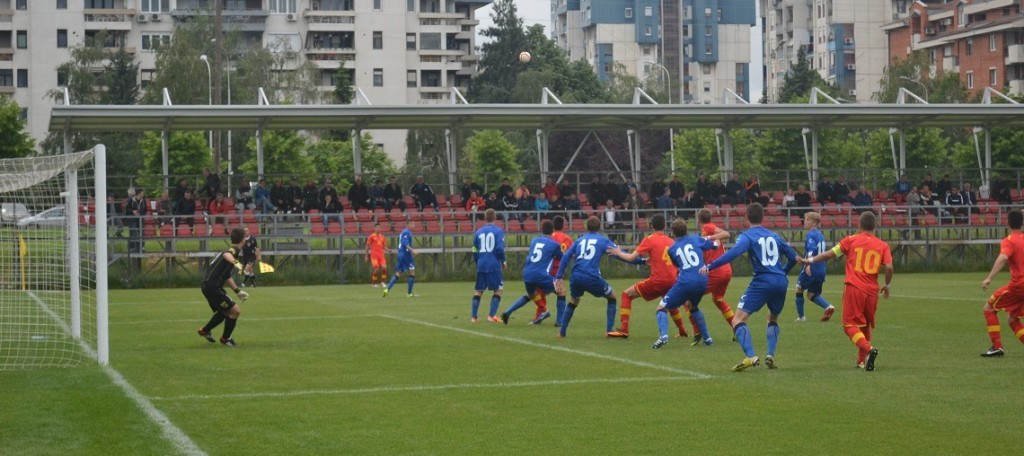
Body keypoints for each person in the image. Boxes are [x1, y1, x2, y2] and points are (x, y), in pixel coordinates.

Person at [703, 203, 798, 372]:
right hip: (781, 281)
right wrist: (781, 272)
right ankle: (770, 355)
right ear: (763, 217)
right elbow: (793, 257)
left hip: (762, 281)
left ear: (746, 218)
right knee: (772, 318)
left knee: (737, 320)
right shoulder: (775, 236)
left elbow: (733, 253)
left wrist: (710, 266)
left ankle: (751, 356)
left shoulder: (747, 236)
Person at [800, 211, 892, 371]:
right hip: (872, 291)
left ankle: (868, 349)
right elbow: (889, 267)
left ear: (859, 225)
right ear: (875, 226)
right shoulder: (883, 245)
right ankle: (862, 361)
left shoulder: (850, 240)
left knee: (849, 325)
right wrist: (887, 285)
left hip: (854, 287)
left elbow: (829, 254)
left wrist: (810, 260)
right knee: (865, 324)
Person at [604, 214, 692, 339]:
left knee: (626, 294)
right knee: (669, 302)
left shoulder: (650, 239)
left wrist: (618, 252)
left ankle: (624, 329)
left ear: (652, 226)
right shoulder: (671, 241)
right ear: (665, 226)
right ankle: (682, 331)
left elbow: (631, 257)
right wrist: (650, 261)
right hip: (673, 280)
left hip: (658, 280)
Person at [554, 216, 633, 338]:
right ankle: (609, 331)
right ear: (599, 227)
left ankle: (562, 333)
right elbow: (620, 255)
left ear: (586, 227)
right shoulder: (602, 240)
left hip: (576, 276)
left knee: (574, 300)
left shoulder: (579, 240)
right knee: (612, 296)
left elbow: (565, 257)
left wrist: (559, 276)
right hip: (591, 276)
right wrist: (641, 261)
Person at [650, 218, 722, 348]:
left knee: (661, 308)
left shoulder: (672, 249)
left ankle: (663, 337)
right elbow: (715, 246)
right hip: (702, 279)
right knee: (692, 306)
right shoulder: (695, 238)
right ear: (686, 230)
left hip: (686, 281)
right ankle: (708, 339)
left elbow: (678, 266)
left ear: (673, 232)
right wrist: (718, 238)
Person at [979, 209, 1024, 357]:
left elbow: (1003, 258)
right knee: (1012, 318)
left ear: (1008, 223)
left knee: (989, 309)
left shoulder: (1009, 240)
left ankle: (997, 347)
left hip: (1018, 286)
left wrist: (989, 278)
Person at [500, 219, 563, 324]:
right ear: (552, 231)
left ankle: (509, 312)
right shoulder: (555, 244)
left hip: (527, 273)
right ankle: (560, 322)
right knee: (561, 292)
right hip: (541, 275)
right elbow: (562, 257)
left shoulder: (534, 240)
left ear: (541, 230)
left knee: (532, 295)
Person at [196, 227, 250, 347]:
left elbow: (226, 276)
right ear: (243, 240)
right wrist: (239, 266)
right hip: (213, 286)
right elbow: (227, 255)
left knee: (224, 312)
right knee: (235, 311)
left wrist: (237, 291)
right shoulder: (234, 249)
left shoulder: (230, 250)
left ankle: (205, 331)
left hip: (208, 285)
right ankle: (226, 339)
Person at [694, 208, 739, 344]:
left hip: (717, 270)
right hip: (726, 270)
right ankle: (737, 329)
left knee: (689, 298)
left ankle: (698, 331)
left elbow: (726, 234)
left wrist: (709, 237)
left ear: (698, 220)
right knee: (718, 300)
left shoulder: (708, 227)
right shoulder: (705, 231)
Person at [794, 212, 835, 322]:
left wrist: (807, 264)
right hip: (821, 269)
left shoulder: (811, 234)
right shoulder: (820, 235)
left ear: (815, 223)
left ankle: (801, 317)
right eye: (805, 219)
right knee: (812, 294)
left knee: (799, 288)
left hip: (811, 267)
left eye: (807, 220)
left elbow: (811, 251)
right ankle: (828, 307)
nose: (805, 222)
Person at [470, 209, 506, 323]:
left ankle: (474, 317)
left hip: (481, 263)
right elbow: (500, 249)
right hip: (493, 264)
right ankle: (491, 316)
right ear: (495, 217)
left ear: (485, 218)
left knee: (479, 290)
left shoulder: (478, 232)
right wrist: (503, 261)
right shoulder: (499, 231)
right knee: (498, 290)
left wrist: (478, 261)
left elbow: (474, 249)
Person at [545, 216, 574, 325]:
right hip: (559, 270)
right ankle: (559, 320)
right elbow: (572, 254)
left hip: (547, 269)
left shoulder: (549, 237)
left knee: (539, 293)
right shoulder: (567, 239)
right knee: (561, 293)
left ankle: (539, 314)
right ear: (563, 225)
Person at [383, 220, 417, 298]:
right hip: (406, 255)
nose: (413, 225)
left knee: (398, 273)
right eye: (411, 224)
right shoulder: (406, 232)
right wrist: (413, 250)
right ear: (407, 224)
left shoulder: (405, 232)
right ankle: (409, 293)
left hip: (401, 255)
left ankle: (387, 289)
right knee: (412, 272)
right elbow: (405, 243)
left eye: (413, 223)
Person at [366, 223, 389, 288]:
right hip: (374, 255)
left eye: (379, 227)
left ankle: (383, 282)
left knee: (384, 267)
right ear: (374, 228)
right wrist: (366, 255)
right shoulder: (371, 236)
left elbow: (384, 247)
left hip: (381, 255)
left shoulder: (383, 237)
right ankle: (374, 284)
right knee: (376, 269)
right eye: (377, 227)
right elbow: (367, 246)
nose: (378, 228)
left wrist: (388, 250)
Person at [126, 188, 146, 253]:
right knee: (133, 232)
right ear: (139, 193)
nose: (143, 194)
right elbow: (127, 209)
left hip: (140, 219)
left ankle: (142, 247)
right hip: (133, 219)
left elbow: (145, 210)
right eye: (142, 193)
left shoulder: (143, 201)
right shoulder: (131, 200)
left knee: (141, 233)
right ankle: (132, 247)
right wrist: (133, 211)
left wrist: (140, 213)